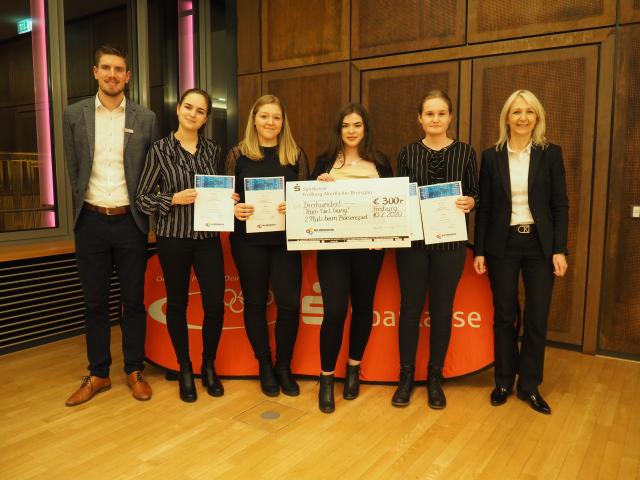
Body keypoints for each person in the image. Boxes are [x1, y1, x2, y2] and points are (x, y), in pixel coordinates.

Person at [63, 45, 159, 406]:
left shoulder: (145, 118)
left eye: (119, 69)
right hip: (90, 221)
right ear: (95, 72)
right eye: (106, 68)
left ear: (128, 77)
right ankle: (99, 373)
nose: (112, 75)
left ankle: (134, 370)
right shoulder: (74, 115)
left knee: (133, 301)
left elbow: (151, 171)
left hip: (130, 222)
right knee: (94, 303)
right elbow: (73, 169)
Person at [473, 89, 569, 415]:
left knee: (536, 316)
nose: (523, 117)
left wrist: (559, 249)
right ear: (507, 118)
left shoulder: (550, 154)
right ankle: (503, 381)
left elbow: (560, 205)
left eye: (529, 112)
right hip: (503, 244)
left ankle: (529, 385)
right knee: (504, 315)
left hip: (539, 245)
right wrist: (480, 250)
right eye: (516, 112)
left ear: (537, 117)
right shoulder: (491, 157)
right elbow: (485, 208)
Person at [136, 88, 227, 402]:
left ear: (205, 118)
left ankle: (208, 365)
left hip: (207, 239)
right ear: (178, 109)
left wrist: (227, 198)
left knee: (215, 305)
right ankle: (184, 368)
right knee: (177, 304)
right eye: (188, 107)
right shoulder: (159, 150)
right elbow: (142, 199)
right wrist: (172, 198)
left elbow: (218, 190)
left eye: (200, 111)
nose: (193, 114)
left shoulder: (213, 151)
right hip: (173, 238)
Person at [392, 90, 479, 410]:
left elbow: (476, 193)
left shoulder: (466, 152)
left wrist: (471, 202)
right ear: (420, 118)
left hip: (450, 245)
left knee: (442, 311)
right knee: (410, 310)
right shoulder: (407, 153)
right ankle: (405, 376)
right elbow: (398, 197)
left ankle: (435, 378)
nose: (435, 119)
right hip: (413, 245)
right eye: (429, 113)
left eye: (441, 113)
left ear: (450, 117)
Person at [225, 94, 309, 397]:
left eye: (276, 117)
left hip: (285, 242)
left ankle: (283, 366)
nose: (270, 122)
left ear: (283, 122)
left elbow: (306, 199)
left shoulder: (295, 155)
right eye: (264, 116)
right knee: (255, 303)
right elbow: (226, 200)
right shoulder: (237, 155)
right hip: (248, 242)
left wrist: (294, 205)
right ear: (254, 119)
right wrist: (233, 209)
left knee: (289, 304)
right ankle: (264, 365)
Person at [313, 103, 393, 414]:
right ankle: (326, 378)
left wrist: (383, 237)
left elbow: (391, 206)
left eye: (357, 125)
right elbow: (307, 205)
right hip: (332, 249)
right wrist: (316, 187)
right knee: (334, 312)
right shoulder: (324, 161)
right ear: (338, 129)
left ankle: (353, 369)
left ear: (365, 129)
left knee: (362, 308)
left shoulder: (380, 162)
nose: (351, 130)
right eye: (345, 125)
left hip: (369, 250)